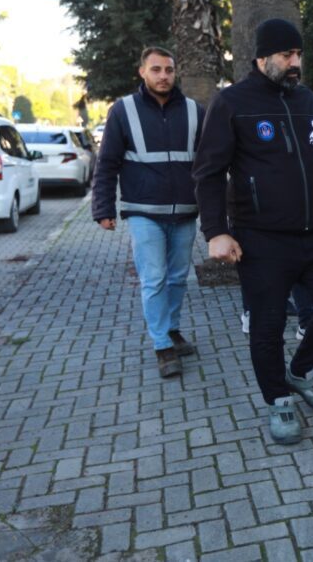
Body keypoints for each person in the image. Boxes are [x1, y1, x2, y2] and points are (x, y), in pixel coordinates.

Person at [193, 18, 313, 446]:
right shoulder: (232, 103)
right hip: (261, 239)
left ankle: (299, 371)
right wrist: (215, 231)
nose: (295, 62)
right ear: (262, 57)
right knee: (267, 325)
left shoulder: (309, 101)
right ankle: (278, 398)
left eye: (298, 54)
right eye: (286, 54)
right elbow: (209, 172)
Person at [93, 46, 205, 379]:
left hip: (185, 211)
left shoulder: (195, 111)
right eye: (156, 69)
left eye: (169, 70)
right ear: (142, 72)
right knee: (154, 279)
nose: (163, 76)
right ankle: (162, 345)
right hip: (143, 212)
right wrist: (103, 208)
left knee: (178, 278)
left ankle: (171, 329)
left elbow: (209, 164)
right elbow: (107, 163)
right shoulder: (123, 110)